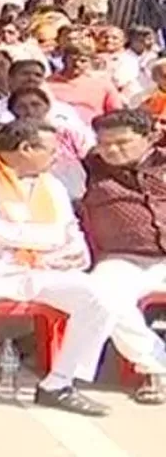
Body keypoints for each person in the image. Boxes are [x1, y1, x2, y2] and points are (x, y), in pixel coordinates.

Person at [0, 120, 126, 428]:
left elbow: (69, 231)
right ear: (26, 148)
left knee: (102, 297)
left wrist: (75, 252)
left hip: (36, 268)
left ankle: (59, 383)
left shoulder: (52, 184)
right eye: (51, 150)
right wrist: (46, 239)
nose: (57, 156)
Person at [80, 109, 166, 404]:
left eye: (122, 143)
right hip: (125, 259)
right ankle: (157, 366)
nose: (112, 151)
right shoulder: (89, 169)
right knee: (102, 294)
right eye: (105, 144)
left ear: (150, 137)